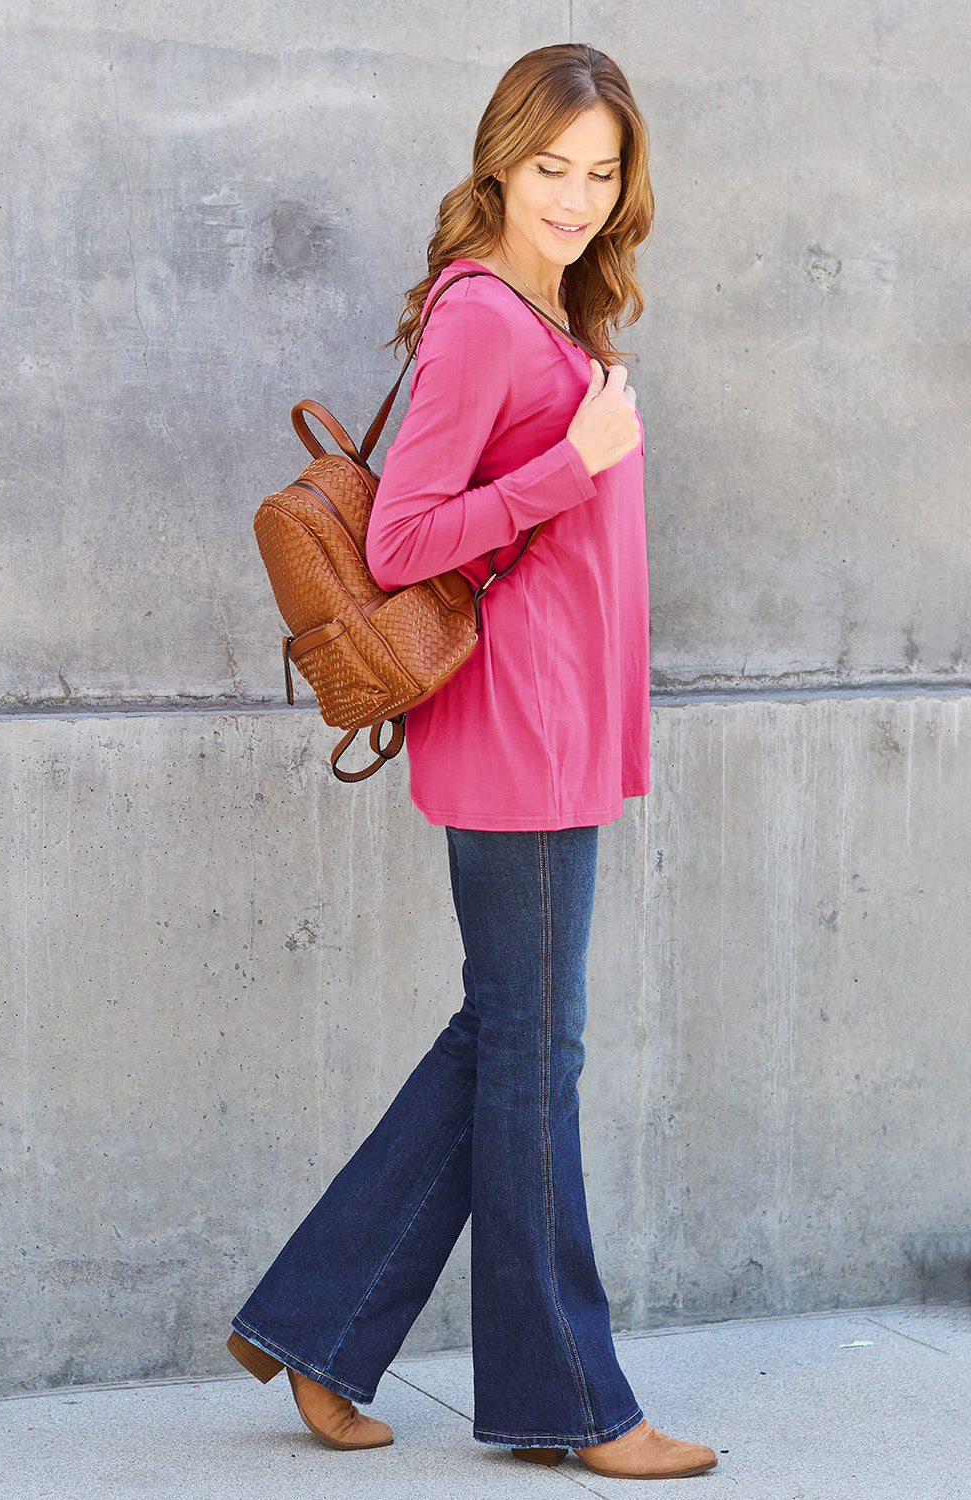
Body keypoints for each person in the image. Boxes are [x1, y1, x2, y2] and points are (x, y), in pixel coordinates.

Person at [227, 42, 717, 1481]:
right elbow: (403, 542)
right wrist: (578, 455)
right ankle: (574, 1401)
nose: (573, 197)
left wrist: (584, 427)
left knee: (506, 1039)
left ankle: (315, 1324)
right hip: (518, 733)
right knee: (533, 1058)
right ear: (500, 161)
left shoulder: (548, 310)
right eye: (550, 168)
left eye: (601, 171)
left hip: (555, 724)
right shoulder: (486, 319)